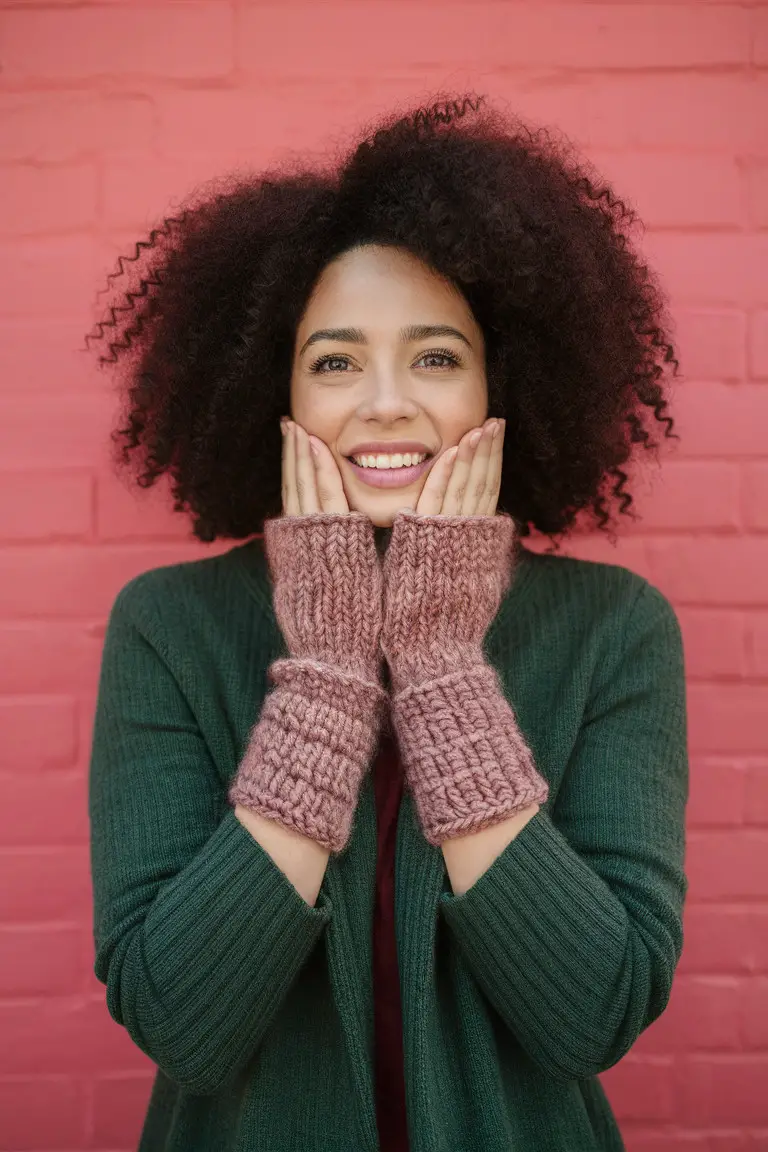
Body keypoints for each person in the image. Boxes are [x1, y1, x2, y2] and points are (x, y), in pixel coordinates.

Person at [85, 92, 689, 1151]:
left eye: (437, 356)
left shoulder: (615, 630)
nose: (384, 402)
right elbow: (182, 1022)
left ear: (505, 382)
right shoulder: (170, 628)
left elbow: (592, 1014)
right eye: (334, 360)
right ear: (272, 391)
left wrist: (443, 667)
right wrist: (325, 672)